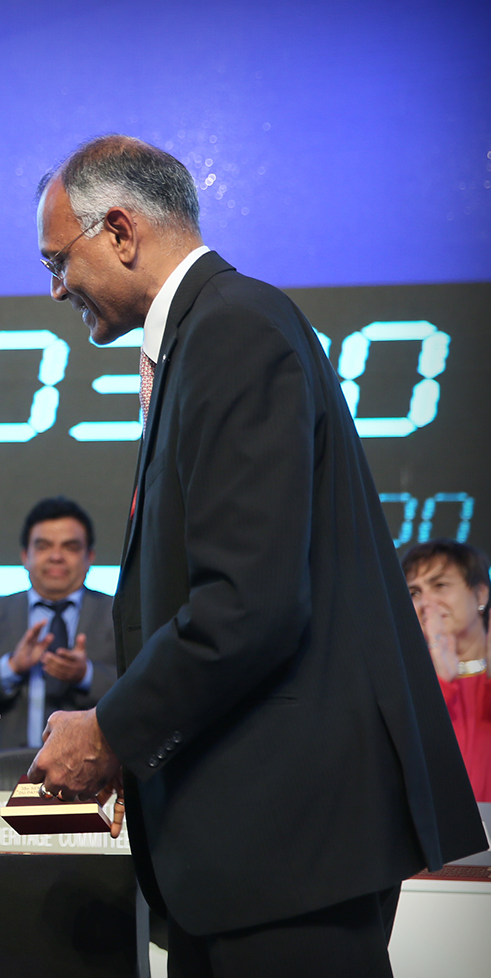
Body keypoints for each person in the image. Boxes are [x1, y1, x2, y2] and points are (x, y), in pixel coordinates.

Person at [26, 135, 484, 976]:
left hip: (288, 846)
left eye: (59, 260)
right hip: (256, 852)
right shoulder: (214, 330)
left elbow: (248, 605)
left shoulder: (232, 330)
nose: (56, 287)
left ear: (120, 231)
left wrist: (111, 732)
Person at [0, 496, 117, 749]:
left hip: (93, 764)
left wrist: (86, 675)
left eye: (70, 547)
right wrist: (12, 667)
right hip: (4, 765)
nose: (56, 556)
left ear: (89, 557)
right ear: (25, 556)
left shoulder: (117, 613)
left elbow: (143, 691)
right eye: (44, 546)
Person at [403, 539, 491, 802]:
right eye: (414, 593)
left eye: (440, 585)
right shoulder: (405, 685)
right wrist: (440, 681)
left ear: (480, 594)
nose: (426, 603)